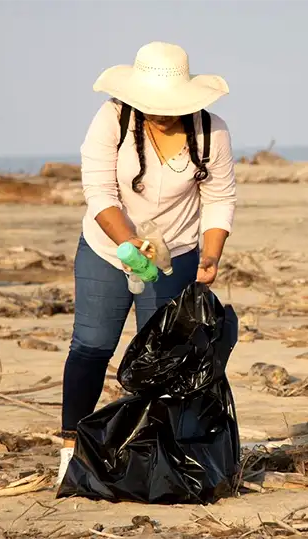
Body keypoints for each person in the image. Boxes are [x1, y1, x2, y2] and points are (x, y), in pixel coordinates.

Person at [56, 41, 237, 484]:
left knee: (160, 359)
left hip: (173, 257)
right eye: (152, 102)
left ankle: (152, 453)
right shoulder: (112, 120)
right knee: (92, 348)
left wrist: (210, 254)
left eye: (169, 103)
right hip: (107, 249)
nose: (160, 111)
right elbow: (99, 191)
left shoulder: (210, 131)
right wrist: (129, 245)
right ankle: (69, 450)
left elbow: (219, 197)